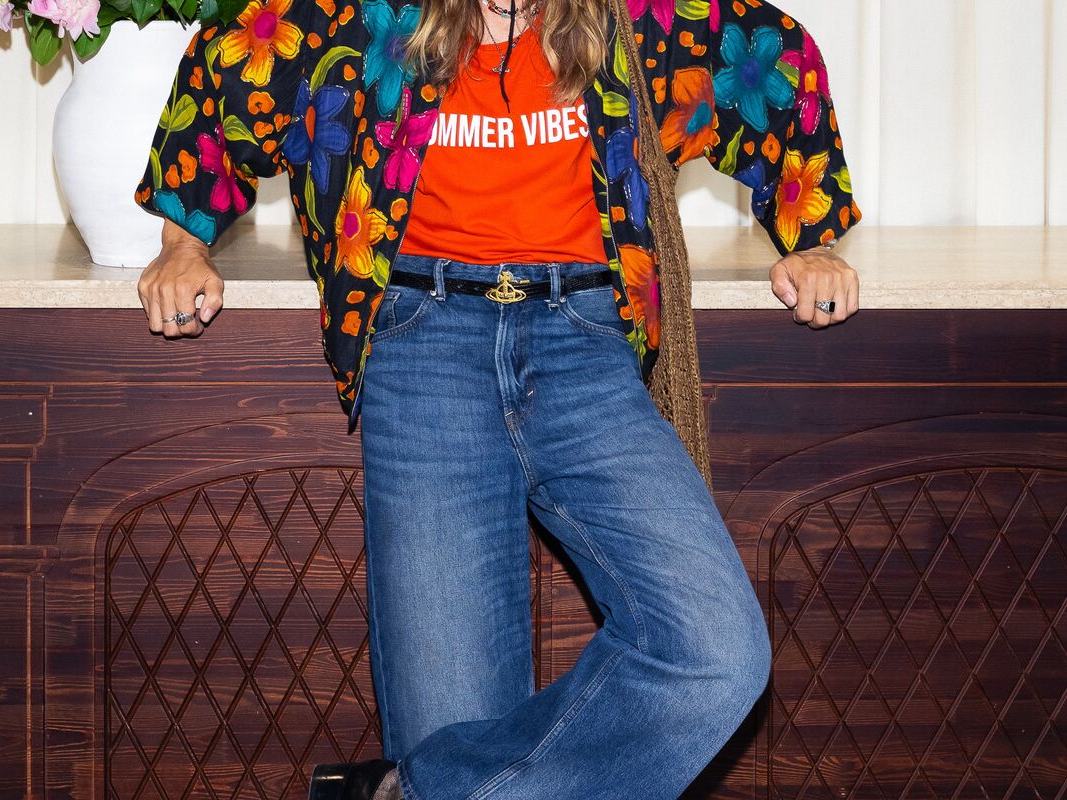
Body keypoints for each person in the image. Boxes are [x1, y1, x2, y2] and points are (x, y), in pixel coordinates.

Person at [134, 0, 861, 796]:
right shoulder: (360, 16)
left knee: (715, 653)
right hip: (424, 349)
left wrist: (813, 237)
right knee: (448, 726)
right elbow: (226, 75)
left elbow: (777, 60)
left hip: (585, 346)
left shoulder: (637, 17)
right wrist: (182, 244)